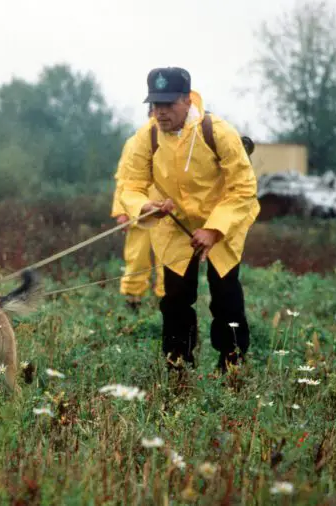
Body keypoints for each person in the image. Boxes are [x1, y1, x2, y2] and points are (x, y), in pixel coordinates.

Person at [120, 67, 260, 373]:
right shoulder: (147, 136)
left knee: (225, 295)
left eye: (168, 104)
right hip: (174, 224)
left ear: (187, 100)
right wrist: (146, 207)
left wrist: (214, 230)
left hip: (223, 220)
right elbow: (131, 186)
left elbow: (243, 188)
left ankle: (232, 363)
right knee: (175, 298)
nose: (161, 112)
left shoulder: (218, 132)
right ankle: (178, 363)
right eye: (156, 104)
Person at [110, 105, 165, 310]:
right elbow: (123, 178)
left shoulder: (179, 140)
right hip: (139, 210)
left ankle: (166, 302)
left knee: (168, 260)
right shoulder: (134, 142)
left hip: (167, 212)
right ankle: (133, 302)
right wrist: (122, 211)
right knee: (136, 258)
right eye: (156, 109)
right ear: (150, 113)